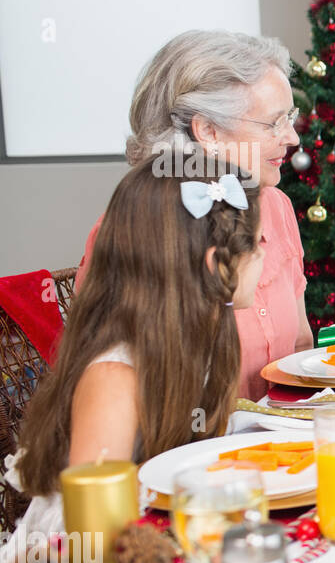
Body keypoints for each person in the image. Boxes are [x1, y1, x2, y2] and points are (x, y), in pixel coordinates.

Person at [6, 157, 263, 542]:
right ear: (217, 267)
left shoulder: (198, 336)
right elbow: (90, 535)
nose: (263, 255)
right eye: (258, 244)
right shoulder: (115, 381)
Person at [75, 30, 310, 400]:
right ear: (208, 131)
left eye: (290, 117)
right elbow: (114, 388)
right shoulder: (136, 228)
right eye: (275, 122)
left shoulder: (275, 206)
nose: (293, 137)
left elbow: (300, 345)